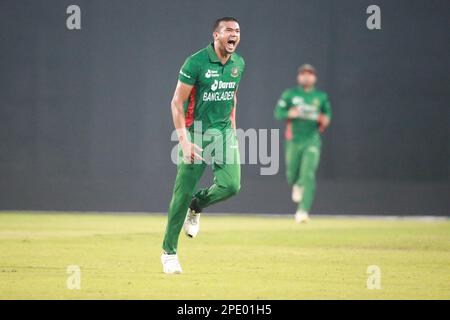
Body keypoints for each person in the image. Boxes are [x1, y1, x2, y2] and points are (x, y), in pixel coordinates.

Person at [161, 17, 245, 274]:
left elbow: (231, 96)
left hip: (223, 133)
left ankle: (197, 206)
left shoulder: (238, 63)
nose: (234, 35)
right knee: (182, 193)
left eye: (238, 31)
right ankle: (169, 253)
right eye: (229, 31)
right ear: (216, 35)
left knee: (231, 186)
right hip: (195, 133)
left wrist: (232, 129)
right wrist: (184, 140)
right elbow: (177, 103)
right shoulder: (195, 62)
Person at [274, 64, 331, 223]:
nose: (306, 76)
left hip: (311, 140)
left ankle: (303, 211)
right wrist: (289, 113)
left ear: (315, 77)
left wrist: (324, 120)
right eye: (303, 74)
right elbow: (278, 112)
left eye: (310, 74)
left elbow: (327, 116)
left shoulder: (321, 97)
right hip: (293, 140)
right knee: (292, 175)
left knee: (308, 174)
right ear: (299, 77)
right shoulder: (291, 94)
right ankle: (296, 184)